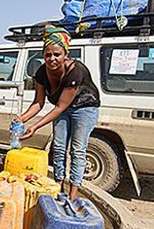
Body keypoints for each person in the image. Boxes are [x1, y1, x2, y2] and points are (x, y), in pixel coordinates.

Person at [15, 25, 100, 200]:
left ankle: (73, 195)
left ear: (65, 54)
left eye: (57, 54)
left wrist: (35, 126)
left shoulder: (75, 71)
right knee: (59, 147)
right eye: (48, 54)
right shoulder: (41, 73)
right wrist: (22, 118)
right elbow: (38, 103)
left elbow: (60, 106)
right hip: (62, 108)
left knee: (77, 150)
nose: (52, 59)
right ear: (43, 55)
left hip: (84, 108)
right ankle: (57, 187)